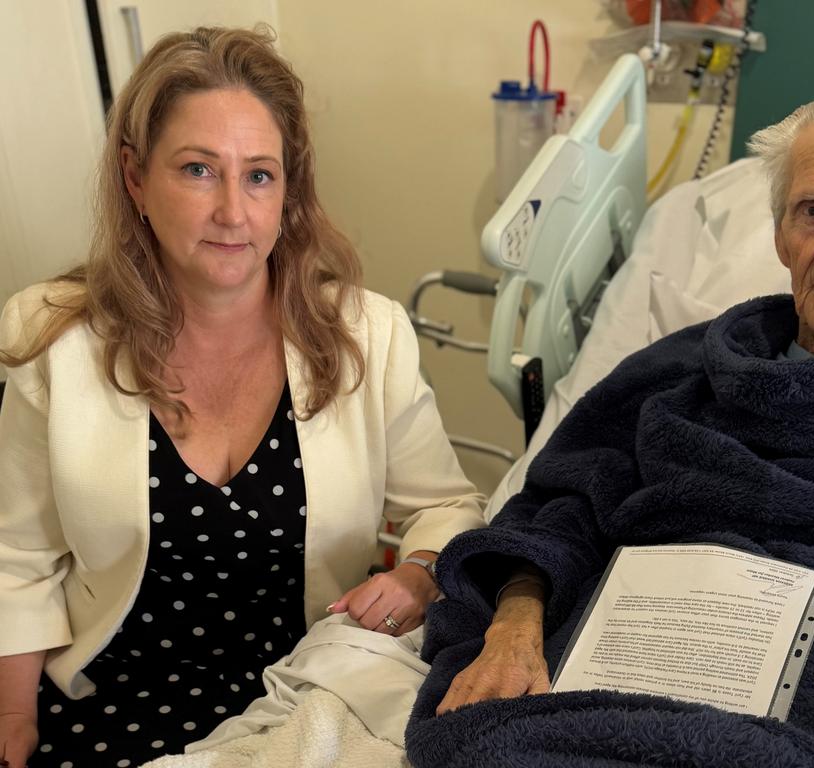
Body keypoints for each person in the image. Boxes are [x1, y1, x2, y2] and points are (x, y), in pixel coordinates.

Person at [403, 94, 814, 768]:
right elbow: (554, 509)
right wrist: (514, 627)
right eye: (812, 210)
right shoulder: (679, 372)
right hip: (611, 703)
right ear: (781, 230)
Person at [0, 26, 485, 768]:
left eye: (259, 175)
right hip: (114, 695)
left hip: (299, 690)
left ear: (288, 189)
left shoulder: (365, 333)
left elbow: (447, 507)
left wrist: (418, 574)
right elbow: (17, 558)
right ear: (135, 178)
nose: (234, 210)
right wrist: (11, 715)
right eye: (198, 170)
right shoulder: (53, 340)